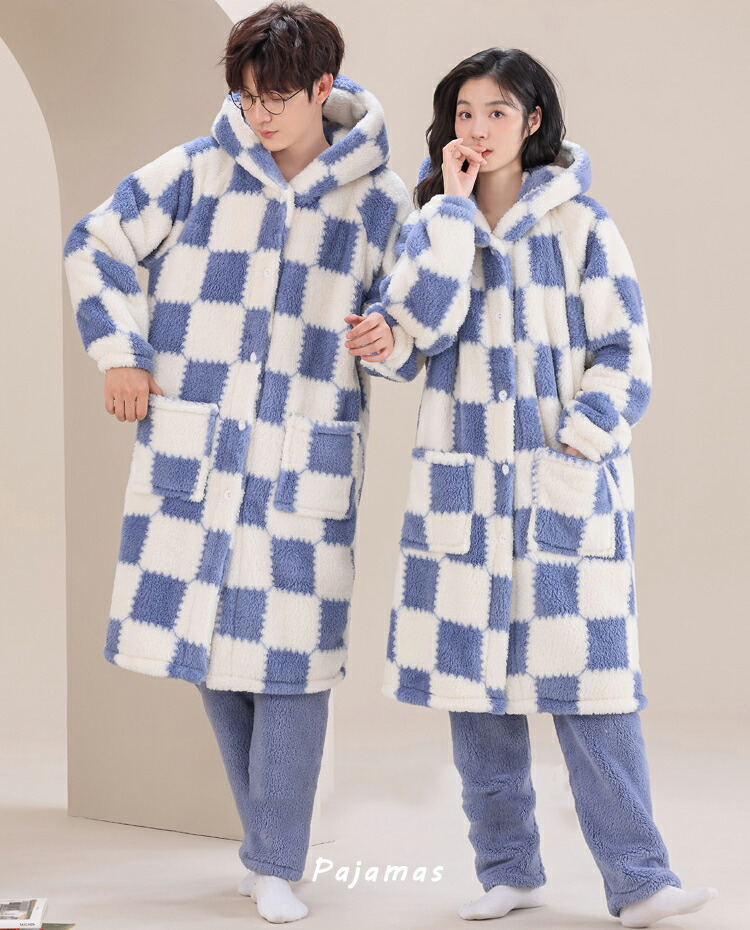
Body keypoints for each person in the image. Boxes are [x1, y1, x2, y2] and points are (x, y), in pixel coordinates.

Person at [345, 47, 717, 929]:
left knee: (592, 694)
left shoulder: (583, 226)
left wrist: (580, 443)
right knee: (475, 700)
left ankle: (640, 881)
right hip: (463, 493)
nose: (478, 129)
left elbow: (626, 351)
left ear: (533, 120)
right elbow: (411, 343)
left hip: (562, 486)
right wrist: (444, 224)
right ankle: (508, 871)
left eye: (497, 113)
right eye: (464, 113)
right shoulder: (432, 223)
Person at [62, 2, 412, 923]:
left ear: (322, 89)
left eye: (277, 99)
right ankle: (271, 847)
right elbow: (95, 242)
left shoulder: (380, 199)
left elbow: (416, 323)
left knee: (293, 669)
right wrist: (121, 353)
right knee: (211, 652)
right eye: (248, 97)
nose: (259, 116)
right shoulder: (198, 169)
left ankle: (275, 861)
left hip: (305, 461)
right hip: (201, 456)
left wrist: (391, 338)